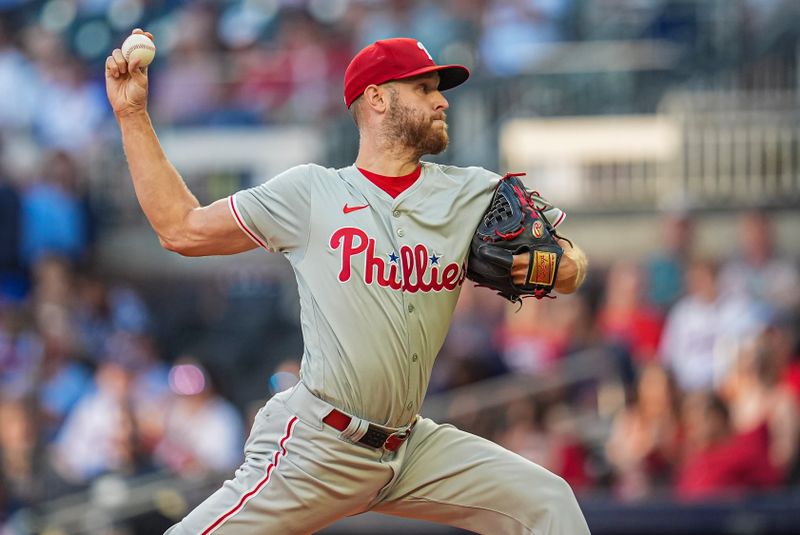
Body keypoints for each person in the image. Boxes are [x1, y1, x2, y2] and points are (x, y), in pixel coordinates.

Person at [105, 30, 590, 535]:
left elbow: (572, 260)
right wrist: (132, 116)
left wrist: (559, 267)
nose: (442, 100)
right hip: (320, 447)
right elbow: (181, 228)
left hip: (412, 449)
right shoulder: (312, 193)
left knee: (547, 501)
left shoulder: (471, 192)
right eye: (424, 88)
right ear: (377, 98)